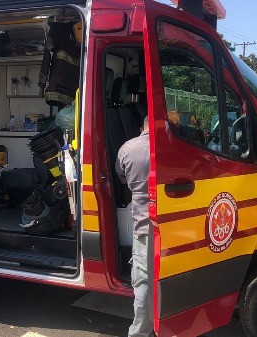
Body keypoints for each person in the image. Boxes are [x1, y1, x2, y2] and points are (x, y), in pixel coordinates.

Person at [115, 116, 154, 337]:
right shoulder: (176, 148)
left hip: (145, 227)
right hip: (179, 225)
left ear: (141, 128)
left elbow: (121, 178)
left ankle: (140, 332)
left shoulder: (126, 149)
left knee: (143, 282)